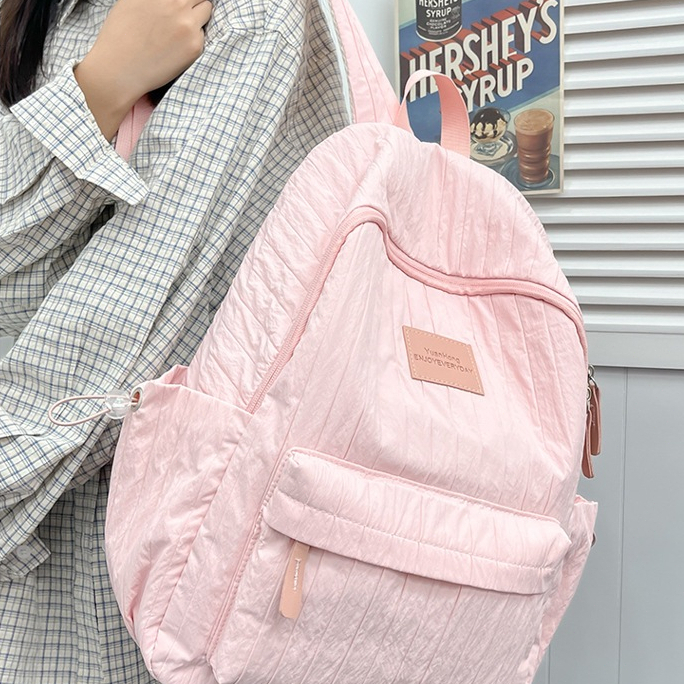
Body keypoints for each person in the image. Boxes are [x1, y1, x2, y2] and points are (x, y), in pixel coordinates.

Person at [0, 0, 374, 680]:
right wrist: (98, 90)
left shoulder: (248, 15)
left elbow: (119, 344)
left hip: (118, 576)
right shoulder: (32, 18)